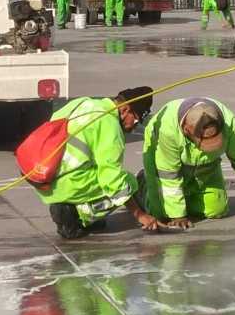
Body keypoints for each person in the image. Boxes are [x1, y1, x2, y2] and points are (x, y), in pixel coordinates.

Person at [35, 86, 160, 239]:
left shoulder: (83, 103)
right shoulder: (111, 127)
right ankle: (77, 216)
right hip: (67, 186)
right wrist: (140, 215)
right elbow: (112, 180)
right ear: (125, 109)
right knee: (128, 182)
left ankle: (76, 208)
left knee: (95, 168)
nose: (135, 126)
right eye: (136, 120)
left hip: (44, 176)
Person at [135, 98, 235, 229]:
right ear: (186, 130)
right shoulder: (167, 130)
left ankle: (184, 196)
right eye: (204, 142)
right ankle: (141, 184)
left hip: (206, 165)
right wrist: (178, 216)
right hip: (166, 165)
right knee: (161, 213)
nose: (208, 145)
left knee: (216, 209)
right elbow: (169, 176)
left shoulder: (230, 123)